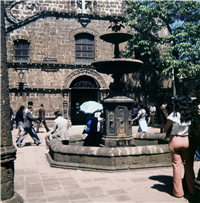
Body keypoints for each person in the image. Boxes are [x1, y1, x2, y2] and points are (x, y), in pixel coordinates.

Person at [164, 96, 195, 198]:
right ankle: (192, 189)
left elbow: (166, 128)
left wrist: (166, 131)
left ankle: (178, 192)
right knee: (188, 165)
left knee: (176, 166)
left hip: (175, 140)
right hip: (186, 140)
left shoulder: (175, 115)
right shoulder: (190, 114)